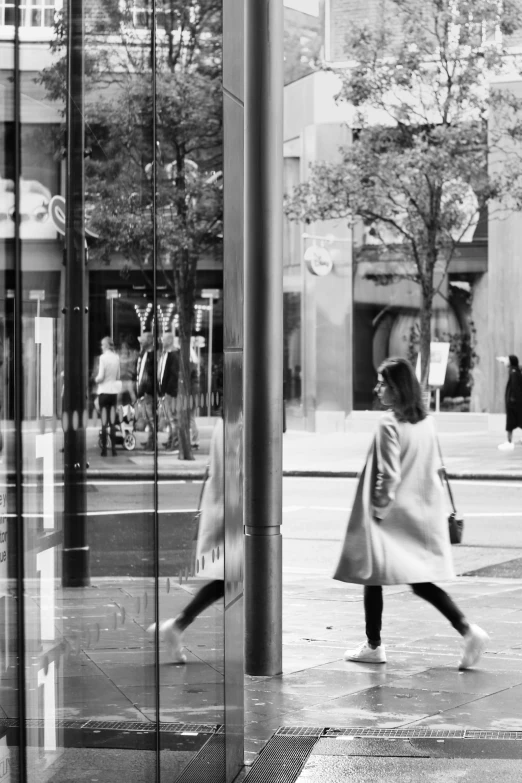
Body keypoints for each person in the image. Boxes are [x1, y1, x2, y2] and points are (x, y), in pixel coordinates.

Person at [334, 357, 489, 670]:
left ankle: (375, 645)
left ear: (396, 388)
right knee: (415, 581)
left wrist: (376, 511)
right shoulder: (425, 422)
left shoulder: (388, 424)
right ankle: (467, 630)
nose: (377, 388)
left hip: (391, 517)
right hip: (421, 514)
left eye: (383, 383)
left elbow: (388, 476)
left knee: (372, 574)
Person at [148, 418, 224, 662]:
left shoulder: (228, 420)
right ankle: (177, 625)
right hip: (233, 510)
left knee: (231, 580)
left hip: (225, 506)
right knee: (235, 578)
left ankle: (177, 625)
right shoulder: (238, 421)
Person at [95, 337, 121, 457]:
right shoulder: (116, 357)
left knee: (104, 423)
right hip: (113, 393)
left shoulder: (103, 358)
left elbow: (101, 376)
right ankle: (114, 449)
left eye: (102, 345)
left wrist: (96, 380)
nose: (101, 347)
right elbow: (118, 375)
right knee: (112, 423)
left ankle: (105, 449)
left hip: (104, 392)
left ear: (106, 345)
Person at [158, 332, 180, 451]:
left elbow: (173, 375)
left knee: (173, 418)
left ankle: (175, 442)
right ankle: (172, 440)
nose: (162, 341)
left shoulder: (174, 355)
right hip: (167, 391)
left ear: (170, 341)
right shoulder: (166, 354)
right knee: (170, 418)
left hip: (171, 392)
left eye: (164, 339)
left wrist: (168, 391)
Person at [497, 355, 522, 451]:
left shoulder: (514, 372)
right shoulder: (516, 370)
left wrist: (512, 399)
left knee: (510, 423)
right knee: (519, 420)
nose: (506, 362)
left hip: (513, 403)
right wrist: (503, 360)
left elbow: (515, 387)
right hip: (516, 402)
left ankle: (509, 442)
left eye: (507, 360)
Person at [136, 331, 155, 450]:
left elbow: (148, 376)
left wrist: (144, 390)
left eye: (142, 340)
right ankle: (150, 440)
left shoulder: (151, 356)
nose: (140, 343)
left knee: (151, 418)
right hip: (145, 390)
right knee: (148, 418)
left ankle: (152, 442)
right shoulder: (145, 354)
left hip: (148, 391)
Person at [118, 334, 138, 405]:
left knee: (133, 396)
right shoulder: (119, 357)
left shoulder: (131, 357)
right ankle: (119, 410)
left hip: (128, 380)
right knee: (119, 397)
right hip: (121, 380)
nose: (124, 350)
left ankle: (134, 408)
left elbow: (132, 363)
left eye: (125, 348)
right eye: (122, 348)